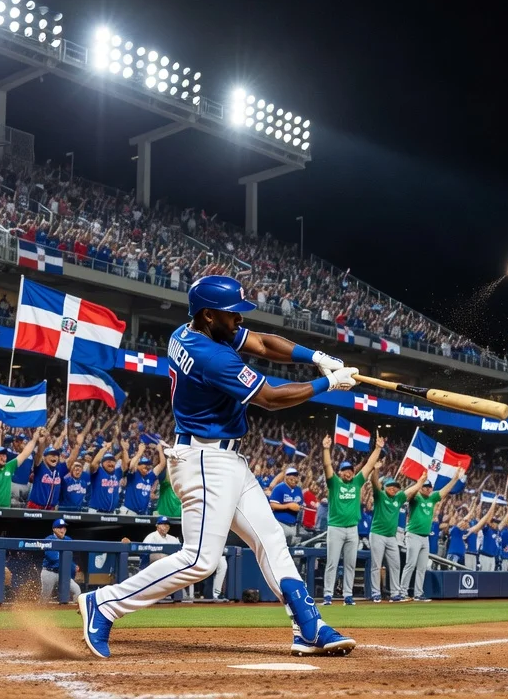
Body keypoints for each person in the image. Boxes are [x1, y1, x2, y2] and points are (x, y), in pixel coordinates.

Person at [80, 275, 360, 658]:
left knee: (271, 541)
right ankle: (105, 603)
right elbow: (271, 398)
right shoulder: (212, 355)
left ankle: (308, 627)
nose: (240, 321)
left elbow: (262, 343)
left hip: (225, 459)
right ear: (209, 315)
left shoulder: (192, 329)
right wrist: (327, 384)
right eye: (233, 315)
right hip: (205, 460)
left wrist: (315, 357)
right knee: (200, 560)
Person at [321, 436, 383, 605]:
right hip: (335, 528)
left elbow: (369, 466)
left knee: (350, 564)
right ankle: (328, 595)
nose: (348, 472)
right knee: (332, 563)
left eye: (350, 470)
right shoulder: (334, 483)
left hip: (352, 529)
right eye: (345, 470)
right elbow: (327, 466)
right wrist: (326, 449)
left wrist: (377, 448)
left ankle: (347, 595)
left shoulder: (356, 482)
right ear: (340, 472)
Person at [399, 469, 464, 601]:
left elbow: (444, 491)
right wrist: (419, 483)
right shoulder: (416, 497)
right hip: (413, 534)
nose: (428, 489)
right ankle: (402, 592)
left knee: (422, 567)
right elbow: (407, 495)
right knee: (410, 564)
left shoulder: (433, 498)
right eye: (426, 487)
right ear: (421, 488)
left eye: (429, 487)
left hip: (425, 537)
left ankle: (418, 594)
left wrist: (455, 479)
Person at [368, 472, 406, 602]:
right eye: (391, 486)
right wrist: (376, 470)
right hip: (377, 534)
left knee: (395, 564)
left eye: (396, 487)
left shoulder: (398, 499)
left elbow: (410, 491)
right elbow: (374, 482)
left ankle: (395, 593)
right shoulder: (380, 495)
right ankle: (375, 593)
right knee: (376, 565)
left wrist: (421, 481)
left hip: (391, 537)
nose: (394, 488)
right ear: (384, 486)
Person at [0, 432, 39, 508]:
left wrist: (34, 439)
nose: (3, 457)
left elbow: (25, 453)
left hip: (5, 511)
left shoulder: (9, 467)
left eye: (4, 455)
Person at [40, 518, 82, 603]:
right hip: (49, 572)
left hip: (63, 573)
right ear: (54, 529)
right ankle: (38, 614)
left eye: (64, 528)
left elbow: (68, 558)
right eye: (60, 528)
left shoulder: (68, 540)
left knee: (77, 591)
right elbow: (54, 558)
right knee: (45, 597)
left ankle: (73, 613)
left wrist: (73, 565)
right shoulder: (48, 539)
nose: (62, 530)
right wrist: (71, 565)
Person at [268, 467, 305, 544]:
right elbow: (272, 505)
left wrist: (300, 507)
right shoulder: (279, 488)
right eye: (292, 476)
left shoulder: (298, 490)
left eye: (296, 476)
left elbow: (299, 506)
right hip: (280, 524)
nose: (295, 478)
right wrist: (288, 506)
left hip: (294, 526)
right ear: (286, 477)